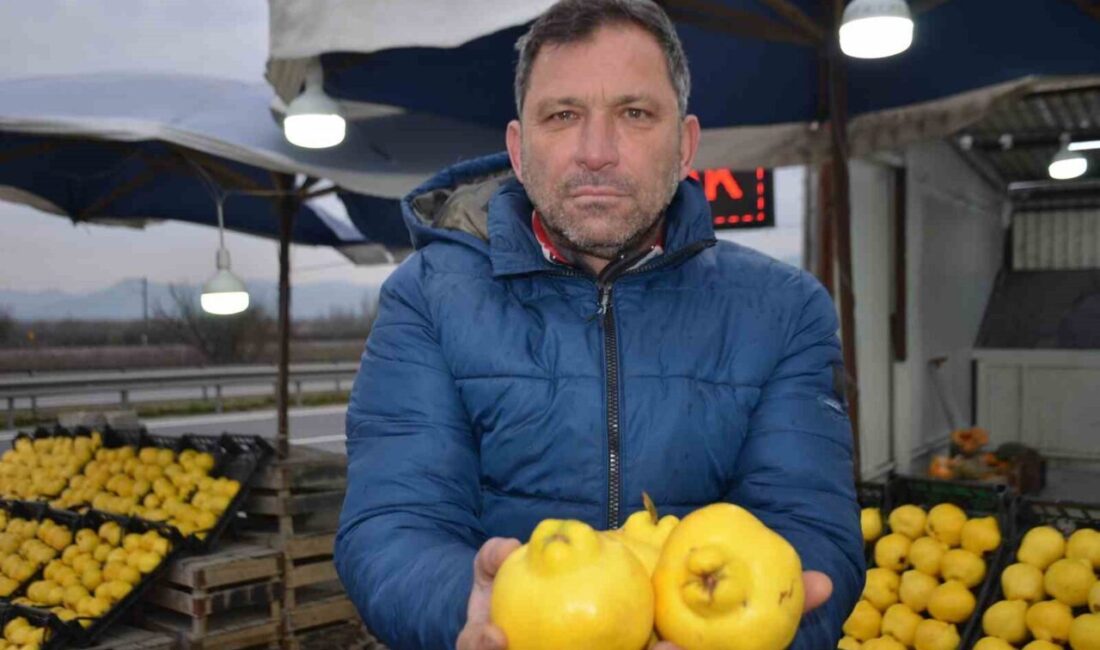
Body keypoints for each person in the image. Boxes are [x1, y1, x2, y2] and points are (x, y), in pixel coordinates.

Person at [335, 1, 865, 648]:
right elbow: (392, 525)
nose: (596, 152)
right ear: (519, 149)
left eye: (634, 114)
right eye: (562, 116)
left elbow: (811, 530)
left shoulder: (786, 311)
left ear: (687, 144)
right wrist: (474, 606)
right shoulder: (426, 302)